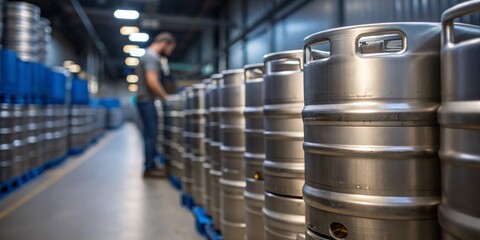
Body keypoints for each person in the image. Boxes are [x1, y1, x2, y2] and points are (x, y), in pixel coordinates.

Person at [135, 32, 176, 177]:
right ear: (165, 44)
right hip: (147, 100)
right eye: (170, 49)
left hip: (143, 100)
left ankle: (151, 164)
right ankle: (150, 168)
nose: (169, 53)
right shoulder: (152, 56)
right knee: (151, 134)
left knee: (149, 134)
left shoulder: (147, 55)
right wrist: (165, 97)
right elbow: (152, 81)